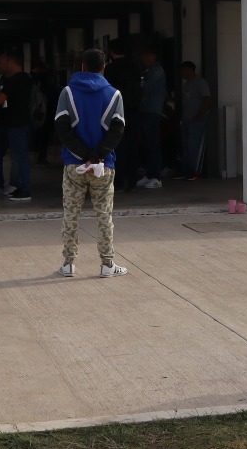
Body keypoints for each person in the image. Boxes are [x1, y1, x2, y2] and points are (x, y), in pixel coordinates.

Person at [55, 49, 129, 278]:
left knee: (71, 215)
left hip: (73, 165)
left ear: (83, 67)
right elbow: (117, 130)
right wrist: (98, 155)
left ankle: (68, 264)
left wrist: (84, 154)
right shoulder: (115, 95)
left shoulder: (67, 92)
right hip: (104, 166)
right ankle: (107, 265)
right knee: (104, 215)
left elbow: (62, 129)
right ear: (103, 68)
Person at [0, 51, 33, 200]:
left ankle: (25, 190)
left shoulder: (13, 81)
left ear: (13, 62)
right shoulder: (27, 79)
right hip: (24, 122)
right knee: (20, 156)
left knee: (20, 157)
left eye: (6, 62)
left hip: (16, 124)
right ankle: (20, 186)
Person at [104, 40, 141, 193]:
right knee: (132, 145)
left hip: (116, 111)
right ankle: (132, 179)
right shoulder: (135, 66)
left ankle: (118, 180)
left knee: (117, 145)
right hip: (133, 111)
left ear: (111, 52)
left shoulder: (110, 68)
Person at [137, 46, 167, 189]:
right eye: (144, 55)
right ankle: (149, 174)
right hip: (145, 110)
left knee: (152, 144)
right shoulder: (147, 71)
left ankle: (156, 177)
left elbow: (144, 88)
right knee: (146, 144)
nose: (145, 58)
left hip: (152, 111)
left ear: (154, 56)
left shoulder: (156, 71)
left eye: (148, 55)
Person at [177, 60, 212, 180]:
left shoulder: (200, 83)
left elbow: (207, 98)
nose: (181, 73)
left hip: (197, 120)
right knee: (185, 145)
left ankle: (194, 171)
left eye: (182, 70)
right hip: (186, 119)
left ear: (189, 70)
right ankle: (186, 170)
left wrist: (200, 115)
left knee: (193, 145)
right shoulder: (186, 84)